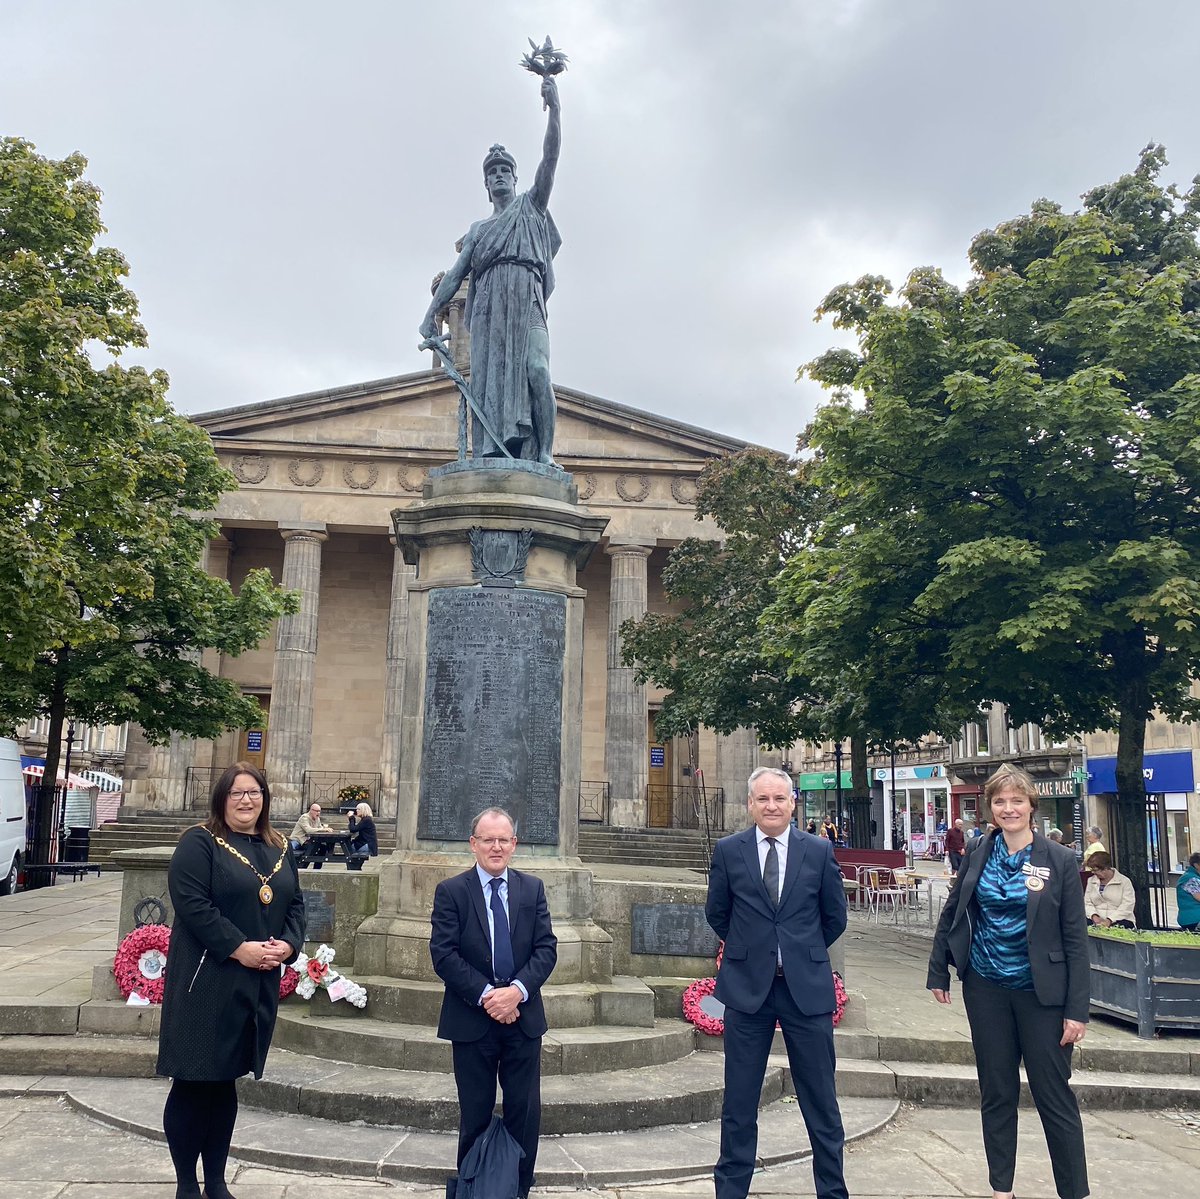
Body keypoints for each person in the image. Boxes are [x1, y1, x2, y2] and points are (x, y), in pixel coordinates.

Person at [927, 763, 1089, 1199]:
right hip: (986, 989)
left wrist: (1077, 1010)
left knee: (1053, 1096)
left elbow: (1076, 939)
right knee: (997, 1092)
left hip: (1043, 996)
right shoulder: (979, 849)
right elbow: (954, 910)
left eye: (1017, 800)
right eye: (1000, 801)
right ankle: (1002, 1189)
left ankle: (1074, 1191)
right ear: (990, 808)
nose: (1008, 808)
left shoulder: (1058, 859)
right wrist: (938, 968)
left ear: (1031, 806)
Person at [157, 762, 306, 1199]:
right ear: (222, 798)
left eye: (254, 792)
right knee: (193, 1082)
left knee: (225, 1082)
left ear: (265, 798)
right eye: (237, 793)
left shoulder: (279, 847)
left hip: (253, 986)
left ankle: (217, 1181)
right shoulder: (200, 843)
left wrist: (289, 947)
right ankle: (188, 1183)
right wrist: (239, 947)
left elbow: (295, 904)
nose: (246, 800)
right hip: (206, 982)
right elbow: (192, 905)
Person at [706, 766, 849, 1199]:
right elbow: (718, 914)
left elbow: (834, 917)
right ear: (750, 804)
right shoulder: (729, 851)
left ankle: (832, 1191)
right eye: (763, 799)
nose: (771, 806)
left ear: (792, 803)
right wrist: (756, 951)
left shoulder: (819, 851)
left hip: (805, 991)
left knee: (821, 1101)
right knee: (739, 1103)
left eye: (779, 799)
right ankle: (731, 1191)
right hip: (748, 993)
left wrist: (797, 952)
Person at [420, 74, 562, 464]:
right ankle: (494, 451)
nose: (499, 175)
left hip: (526, 298)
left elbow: (550, 158)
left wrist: (555, 109)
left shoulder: (532, 207)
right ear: (486, 185)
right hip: (491, 313)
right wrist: (430, 315)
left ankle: (544, 454)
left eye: (505, 170)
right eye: (492, 173)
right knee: (487, 387)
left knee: (538, 369)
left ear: (515, 178)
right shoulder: (479, 231)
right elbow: (454, 275)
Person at [430, 807, 557, 1198]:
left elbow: (546, 949)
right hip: (473, 1021)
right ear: (474, 844)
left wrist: (517, 991)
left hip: (522, 1019)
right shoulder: (451, 891)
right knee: (475, 1115)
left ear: (514, 845)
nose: (496, 847)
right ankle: (474, 1189)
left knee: (524, 1115)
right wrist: (488, 996)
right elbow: (444, 954)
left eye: (504, 839)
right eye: (488, 839)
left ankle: (518, 1190)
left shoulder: (532, 889)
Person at [1083, 852, 1135, 928]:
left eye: (1095, 870)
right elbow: (1087, 903)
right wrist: (1094, 916)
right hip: (1095, 920)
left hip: (1120, 919)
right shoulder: (1091, 881)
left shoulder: (1124, 881)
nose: (1093, 872)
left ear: (1105, 868)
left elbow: (1127, 905)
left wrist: (1110, 920)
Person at [290, 802, 332, 868]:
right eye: (317, 811)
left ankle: (316, 869)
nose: (318, 813)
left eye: (319, 811)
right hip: (298, 840)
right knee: (311, 848)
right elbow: (309, 830)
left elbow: (320, 828)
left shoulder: (317, 819)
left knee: (322, 847)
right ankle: (302, 866)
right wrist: (323, 829)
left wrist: (324, 829)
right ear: (311, 810)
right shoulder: (304, 818)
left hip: (307, 841)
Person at [1177, 851, 1200, 933]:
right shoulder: (1190, 879)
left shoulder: (1193, 877)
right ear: (1196, 865)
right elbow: (1198, 897)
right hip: (1194, 918)